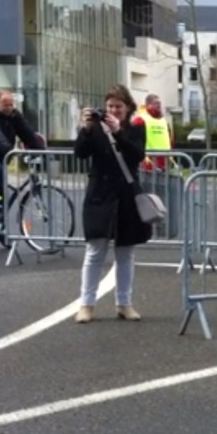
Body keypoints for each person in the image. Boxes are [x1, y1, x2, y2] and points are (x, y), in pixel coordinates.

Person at [72, 84, 153, 324]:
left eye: (118, 107)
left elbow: (138, 154)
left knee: (125, 253)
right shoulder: (95, 127)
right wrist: (86, 129)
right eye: (110, 107)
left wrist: (118, 132)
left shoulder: (136, 128)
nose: (113, 111)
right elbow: (80, 153)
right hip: (100, 195)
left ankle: (124, 303)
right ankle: (86, 304)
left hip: (126, 196)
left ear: (127, 108)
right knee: (95, 251)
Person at [0, 89, 45, 238]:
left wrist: (42, 151)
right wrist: (11, 149)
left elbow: (27, 133)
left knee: (4, 185)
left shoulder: (14, 116)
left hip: (2, 156)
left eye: (11, 104)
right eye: (5, 104)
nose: (9, 107)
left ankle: (0, 228)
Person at [132, 93, 173, 172]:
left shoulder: (164, 121)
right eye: (155, 103)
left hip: (164, 161)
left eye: (159, 103)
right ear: (148, 105)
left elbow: (170, 140)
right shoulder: (140, 120)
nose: (159, 105)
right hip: (148, 162)